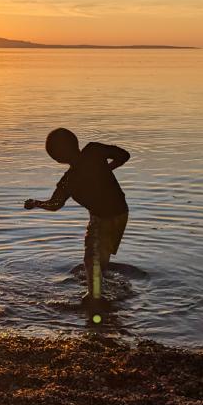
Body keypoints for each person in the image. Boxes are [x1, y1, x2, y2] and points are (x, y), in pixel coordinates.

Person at [24, 128, 130, 312]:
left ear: (56, 158)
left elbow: (55, 204)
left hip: (102, 219)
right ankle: (101, 291)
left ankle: (95, 300)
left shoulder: (68, 181)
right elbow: (123, 155)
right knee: (100, 258)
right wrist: (107, 168)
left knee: (91, 258)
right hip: (121, 213)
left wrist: (35, 203)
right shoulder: (94, 151)